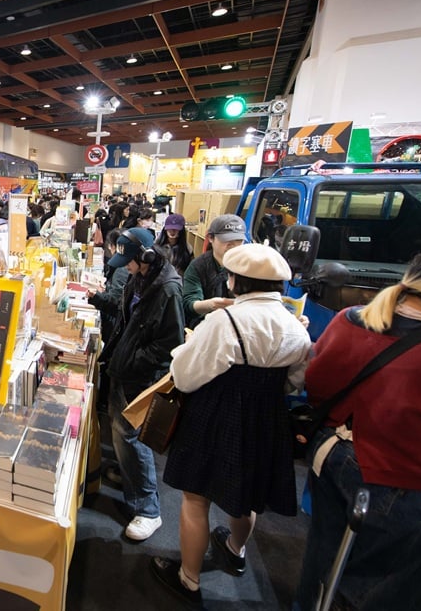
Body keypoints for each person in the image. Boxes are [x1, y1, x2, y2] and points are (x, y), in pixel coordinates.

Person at [295, 242, 421, 611]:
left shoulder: (349, 320)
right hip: (405, 481)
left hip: (331, 456)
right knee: (385, 590)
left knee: (323, 562)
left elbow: (317, 383)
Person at [151, 244, 311, 607]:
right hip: (267, 418)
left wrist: (186, 349)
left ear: (237, 281)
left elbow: (185, 376)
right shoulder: (297, 327)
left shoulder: (225, 321)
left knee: (196, 497)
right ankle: (236, 550)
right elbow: (293, 383)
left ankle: (188, 578)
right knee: (248, 493)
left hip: (216, 412)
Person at [101, 227, 185, 542]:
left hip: (139, 375)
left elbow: (170, 343)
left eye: (129, 260)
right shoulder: (140, 278)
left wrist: (133, 361)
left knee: (131, 435)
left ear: (146, 256)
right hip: (124, 368)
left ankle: (148, 510)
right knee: (121, 432)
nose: (125, 266)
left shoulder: (167, 290)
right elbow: (126, 317)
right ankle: (130, 476)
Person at [182, 213, 246, 328]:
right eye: (227, 240)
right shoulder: (199, 266)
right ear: (211, 238)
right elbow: (189, 303)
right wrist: (211, 304)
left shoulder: (248, 265)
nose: (233, 245)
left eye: (239, 240)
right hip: (206, 324)